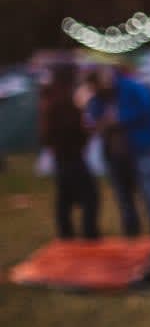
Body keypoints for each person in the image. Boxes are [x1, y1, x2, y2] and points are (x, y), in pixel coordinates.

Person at [86, 64, 150, 237]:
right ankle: (131, 228)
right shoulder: (98, 97)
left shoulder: (132, 88)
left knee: (149, 189)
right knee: (123, 193)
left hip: (140, 147)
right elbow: (94, 116)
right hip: (114, 151)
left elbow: (147, 108)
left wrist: (121, 118)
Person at [39, 63, 99, 240]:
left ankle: (67, 235)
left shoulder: (50, 100)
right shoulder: (63, 101)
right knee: (89, 197)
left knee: (65, 198)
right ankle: (88, 234)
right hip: (70, 155)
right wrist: (85, 132)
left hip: (62, 156)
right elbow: (72, 129)